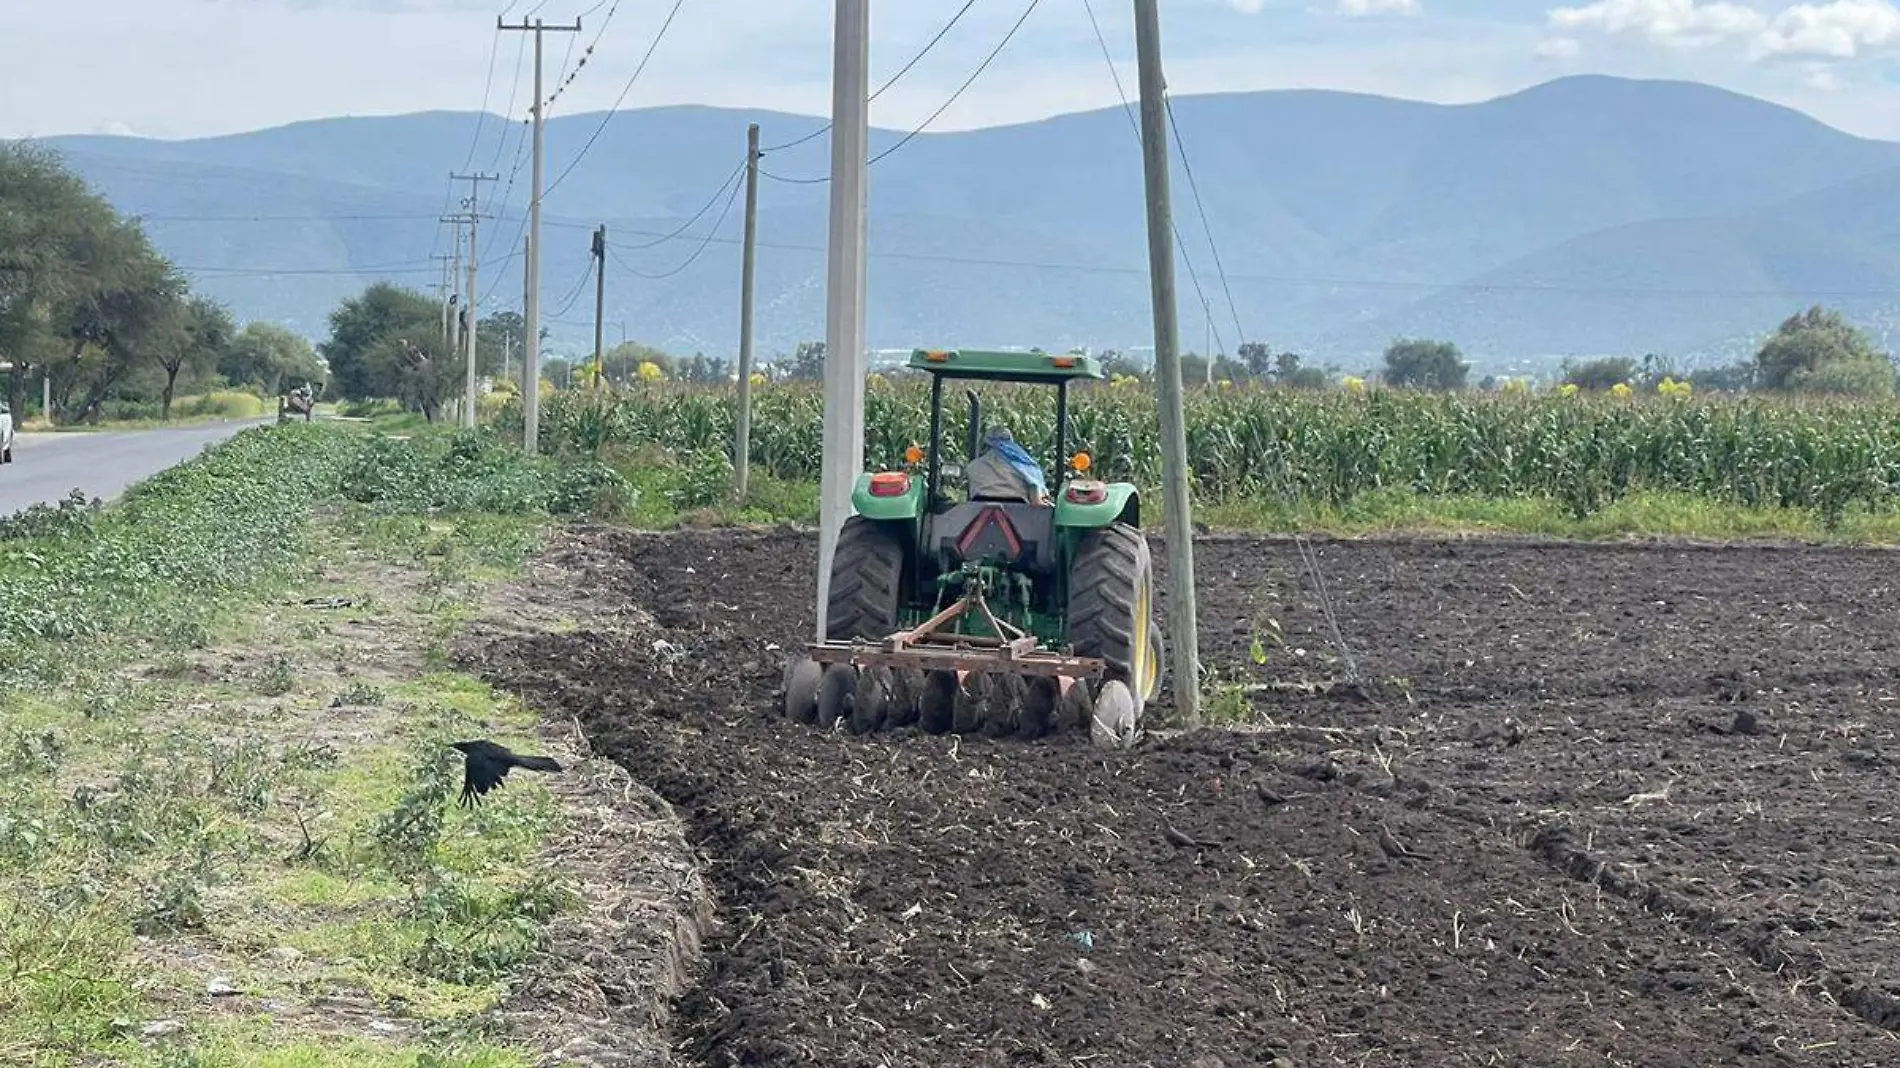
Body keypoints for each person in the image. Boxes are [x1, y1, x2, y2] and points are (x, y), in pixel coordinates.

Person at [966, 425, 1049, 504]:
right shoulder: (1024, 466)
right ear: (1011, 441)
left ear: (985, 443)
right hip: (1020, 514)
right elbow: (1036, 501)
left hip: (979, 512)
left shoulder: (972, 466)